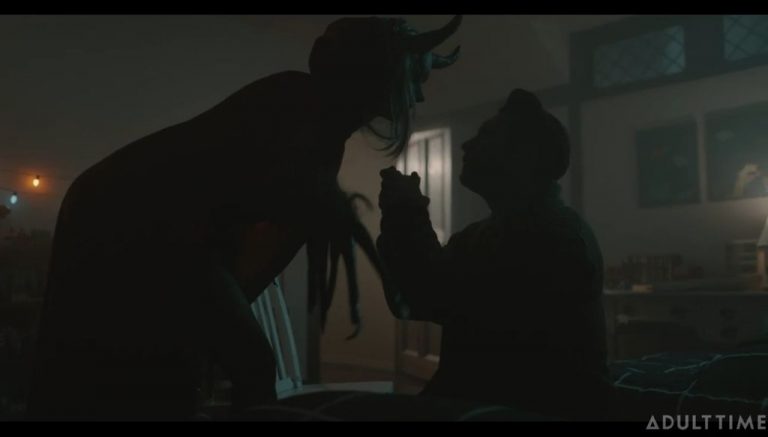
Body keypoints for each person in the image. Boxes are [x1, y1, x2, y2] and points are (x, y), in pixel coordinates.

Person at [27, 15, 461, 420]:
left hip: (164, 232)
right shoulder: (294, 100)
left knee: (193, 363)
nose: (419, 96)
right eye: (416, 79)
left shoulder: (311, 117)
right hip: (139, 222)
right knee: (233, 363)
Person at [377, 89, 614, 420]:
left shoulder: (554, 238)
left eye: (486, 136)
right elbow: (412, 300)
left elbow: (432, 296)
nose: (466, 145)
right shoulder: (487, 233)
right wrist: (405, 216)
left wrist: (407, 215)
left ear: (524, 157)